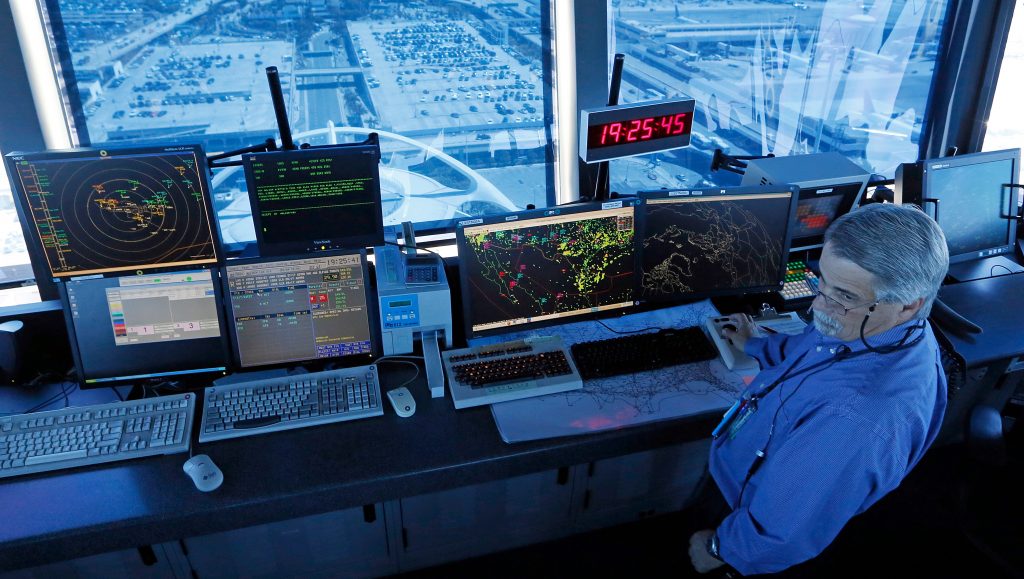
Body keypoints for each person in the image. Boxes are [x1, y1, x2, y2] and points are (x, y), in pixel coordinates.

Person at [687, 203, 949, 576]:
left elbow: (784, 531)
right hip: (743, 477)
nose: (817, 303)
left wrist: (719, 549)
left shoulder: (856, 420)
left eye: (842, 294)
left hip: (746, 527)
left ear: (909, 304)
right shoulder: (873, 327)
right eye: (820, 280)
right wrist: (758, 344)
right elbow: (813, 352)